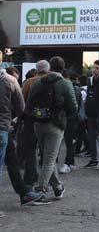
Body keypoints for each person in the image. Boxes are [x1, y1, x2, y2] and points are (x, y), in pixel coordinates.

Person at [26, 56, 78, 201]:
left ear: (49, 68)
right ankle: (39, 191)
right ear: (63, 67)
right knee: (49, 159)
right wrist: (63, 114)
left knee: (47, 157)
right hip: (56, 124)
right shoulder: (65, 83)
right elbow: (74, 107)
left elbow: (29, 103)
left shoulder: (37, 82)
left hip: (38, 123)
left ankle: (57, 187)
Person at [0, 65, 45, 215]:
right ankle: (25, 193)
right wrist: (12, 120)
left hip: (3, 129)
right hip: (3, 128)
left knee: (12, 160)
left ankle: (24, 193)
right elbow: (21, 107)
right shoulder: (10, 80)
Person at [22, 59, 50, 189]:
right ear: (48, 69)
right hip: (48, 121)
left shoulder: (28, 82)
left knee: (30, 150)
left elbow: (21, 102)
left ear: (37, 69)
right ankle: (47, 179)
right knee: (48, 153)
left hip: (30, 120)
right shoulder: (52, 82)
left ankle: (29, 177)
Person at [84, 60, 99, 168]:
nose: (94, 70)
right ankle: (94, 159)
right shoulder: (89, 81)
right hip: (90, 114)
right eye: (93, 68)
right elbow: (88, 96)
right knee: (91, 138)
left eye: (97, 68)